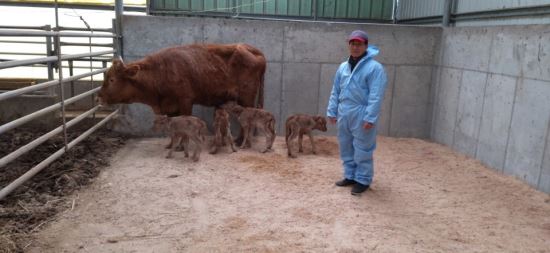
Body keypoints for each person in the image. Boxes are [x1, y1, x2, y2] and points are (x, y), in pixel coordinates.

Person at [327, 30, 387, 196]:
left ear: (366, 46)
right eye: (352, 43)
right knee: (346, 145)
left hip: (361, 112)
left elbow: (376, 95)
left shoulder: (375, 68)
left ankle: (363, 179)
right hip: (344, 111)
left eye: (359, 44)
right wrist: (332, 110)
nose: (355, 47)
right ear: (349, 45)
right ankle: (350, 175)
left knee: (362, 148)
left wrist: (370, 117)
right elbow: (336, 90)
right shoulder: (343, 67)